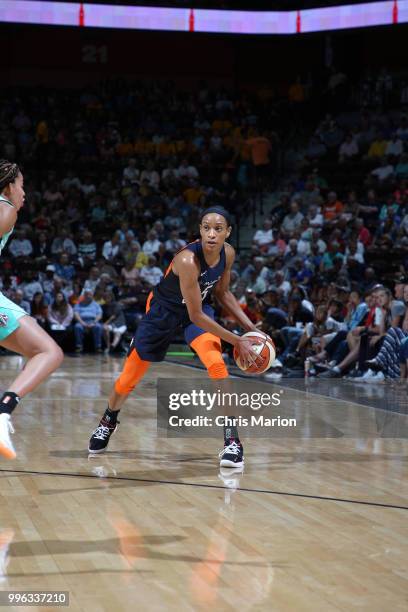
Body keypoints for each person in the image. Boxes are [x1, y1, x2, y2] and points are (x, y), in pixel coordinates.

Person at [88, 207, 267, 467]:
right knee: (129, 377)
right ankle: (108, 419)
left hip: (198, 310)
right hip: (164, 312)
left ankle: (232, 442)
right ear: (200, 230)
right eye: (206, 227)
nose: (212, 234)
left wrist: (252, 328)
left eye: (218, 229)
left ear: (228, 232)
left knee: (217, 366)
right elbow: (195, 315)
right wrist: (237, 340)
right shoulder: (187, 260)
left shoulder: (228, 253)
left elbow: (223, 293)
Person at [0, 160, 63, 459]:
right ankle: (3, 415)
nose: (24, 193)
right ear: (9, 186)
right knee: (48, 352)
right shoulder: (6, 209)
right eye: (22, 185)